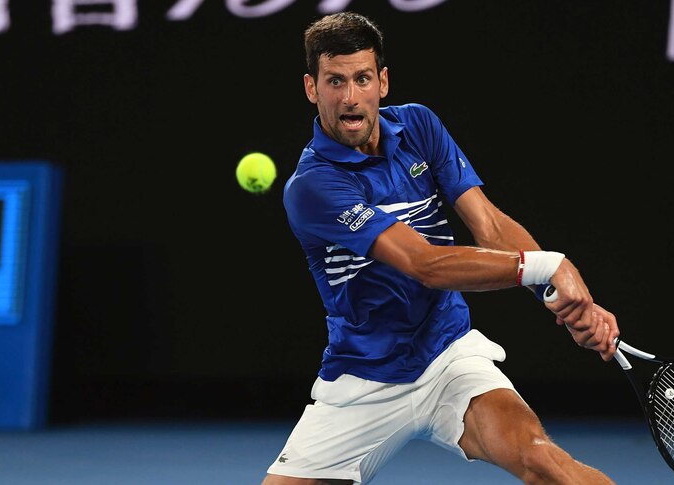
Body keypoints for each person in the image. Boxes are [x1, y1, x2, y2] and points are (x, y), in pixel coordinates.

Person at [264, 12, 620, 484]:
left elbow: (489, 225)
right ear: (312, 88)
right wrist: (550, 266)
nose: (350, 97)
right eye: (335, 81)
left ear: (382, 81)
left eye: (362, 79)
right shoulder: (312, 187)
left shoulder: (419, 126)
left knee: (544, 462)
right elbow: (424, 265)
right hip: (363, 380)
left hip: (448, 356)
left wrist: (564, 301)